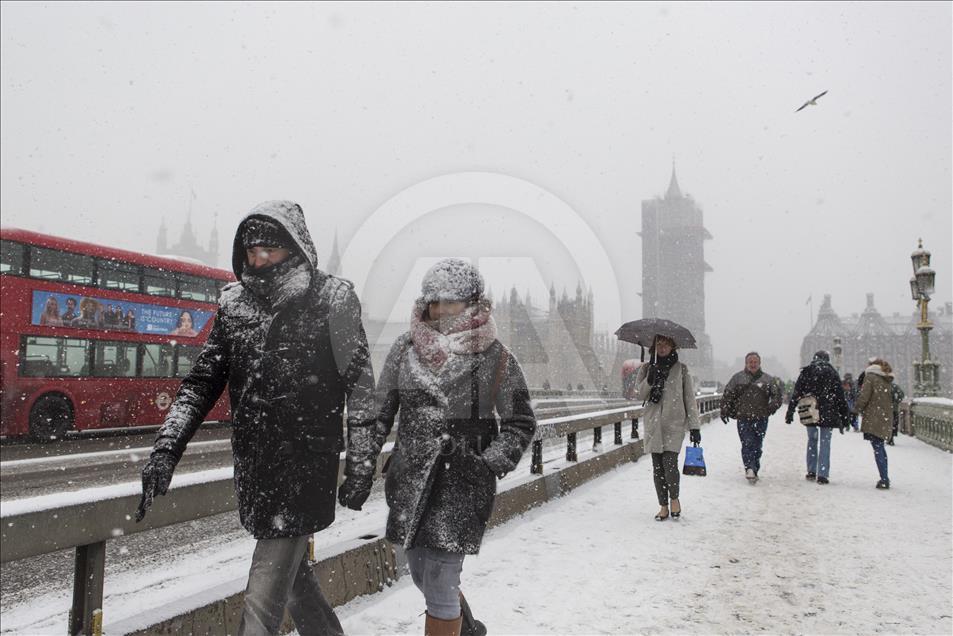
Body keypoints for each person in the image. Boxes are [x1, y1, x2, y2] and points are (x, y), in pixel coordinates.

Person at [135, 201, 376, 636]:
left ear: (295, 247)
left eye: (270, 249)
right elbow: (201, 384)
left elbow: (360, 389)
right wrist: (166, 449)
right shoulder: (234, 306)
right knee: (296, 586)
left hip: (305, 469)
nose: (260, 259)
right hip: (256, 469)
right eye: (252, 251)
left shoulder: (332, 299)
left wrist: (360, 465)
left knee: (262, 599)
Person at [364, 258, 536, 635]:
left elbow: (521, 421)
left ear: (473, 304)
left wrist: (487, 463)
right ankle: (469, 630)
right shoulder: (404, 349)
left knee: (441, 581)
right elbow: (380, 412)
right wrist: (362, 462)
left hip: (462, 484)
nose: (441, 310)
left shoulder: (495, 356)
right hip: (410, 483)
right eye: (435, 302)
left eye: (451, 302)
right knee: (422, 574)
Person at [633, 335, 701, 521]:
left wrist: (694, 427)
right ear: (653, 348)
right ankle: (663, 505)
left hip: (674, 424)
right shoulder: (646, 368)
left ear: (673, 347)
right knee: (658, 468)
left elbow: (689, 399)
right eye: (659, 345)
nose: (662, 348)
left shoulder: (681, 370)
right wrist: (649, 380)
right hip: (654, 425)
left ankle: (674, 499)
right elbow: (638, 394)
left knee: (670, 466)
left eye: (665, 345)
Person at [785, 351, 850, 484]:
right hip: (828, 411)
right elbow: (840, 397)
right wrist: (845, 416)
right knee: (825, 442)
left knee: (812, 440)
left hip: (811, 410)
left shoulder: (806, 372)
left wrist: (790, 411)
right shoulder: (832, 373)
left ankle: (811, 470)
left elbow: (797, 392)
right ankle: (823, 474)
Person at [720, 351, 783, 482]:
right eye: (750, 362)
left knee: (757, 444)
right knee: (747, 442)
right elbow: (728, 394)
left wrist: (771, 408)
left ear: (759, 363)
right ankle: (749, 467)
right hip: (743, 417)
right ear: (746, 363)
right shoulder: (737, 378)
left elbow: (777, 396)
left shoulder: (768, 379)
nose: (753, 364)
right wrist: (725, 409)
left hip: (761, 417)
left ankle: (754, 467)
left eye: (755, 362)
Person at [855, 359, 894, 489]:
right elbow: (897, 395)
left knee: (877, 447)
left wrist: (856, 409)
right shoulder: (887, 378)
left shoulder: (870, 377)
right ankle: (885, 476)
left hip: (874, 416)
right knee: (880, 447)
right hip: (885, 416)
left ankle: (884, 479)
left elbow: (864, 397)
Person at [889, 375, 905, 445]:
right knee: (894, 423)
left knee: (886, 424)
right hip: (893, 408)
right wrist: (896, 402)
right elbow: (901, 394)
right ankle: (891, 437)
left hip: (884, 409)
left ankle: (888, 437)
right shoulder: (894, 386)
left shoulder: (882, 386)